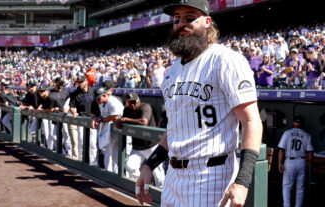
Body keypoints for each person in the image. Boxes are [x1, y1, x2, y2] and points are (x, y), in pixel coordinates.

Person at [135, 1, 263, 207]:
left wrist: (242, 181)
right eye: (177, 19)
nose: (181, 23)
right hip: (173, 177)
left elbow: (252, 121)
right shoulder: (172, 71)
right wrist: (150, 165)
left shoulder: (225, 60)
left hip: (212, 176)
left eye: (190, 17)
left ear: (207, 22)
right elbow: (175, 127)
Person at [116, 92, 165, 187]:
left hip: (151, 145)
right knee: (130, 167)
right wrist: (119, 120)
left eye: (134, 102)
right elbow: (119, 124)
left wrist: (125, 120)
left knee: (158, 175)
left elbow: (144, 122)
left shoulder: (145, 107)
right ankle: (144, 185)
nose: (132, 105)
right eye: (130, 103)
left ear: (138, 101)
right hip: (137, 147)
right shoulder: (127, 110)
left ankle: (161, 195)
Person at [278, 115, 313, 207]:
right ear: (302, 124)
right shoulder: (307, 135)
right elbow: (309, 152)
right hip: (301, 161)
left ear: (294, 123)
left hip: (290, 161)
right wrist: (308, 163)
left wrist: (280, 163)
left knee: (287, 187)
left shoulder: (287, 133)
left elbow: (281, 150)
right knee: (300, 188)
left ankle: (287, 205)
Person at [91, 87, 124, 173]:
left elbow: (115, 117)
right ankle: (111, 173)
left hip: (120, 131)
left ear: (105, 95)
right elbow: (103, 116)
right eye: (96, 99)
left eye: (98, 98)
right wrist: (97, 118)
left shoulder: (112, 101)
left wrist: (101, 120)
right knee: (111, 154)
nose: (97, 101)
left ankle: (115, 174)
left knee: (115, 155)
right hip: (111, 131)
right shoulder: (101, 103)